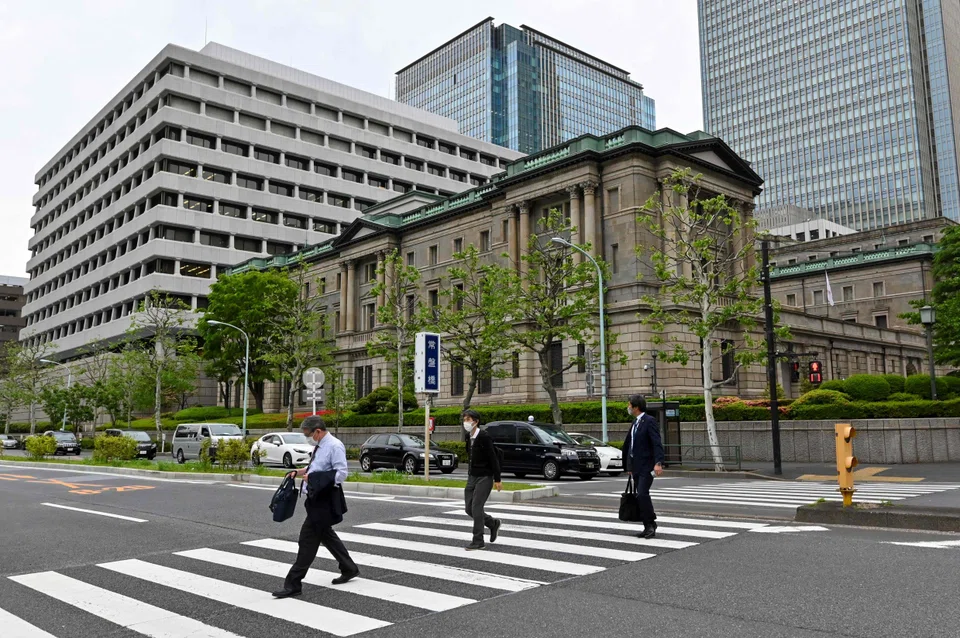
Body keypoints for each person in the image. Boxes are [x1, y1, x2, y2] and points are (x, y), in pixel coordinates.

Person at [273, 416, 358, 598]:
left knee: (307, 541)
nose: (307, 438)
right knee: (326, 536)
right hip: (314, 499)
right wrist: (299, 472)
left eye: (308, 434)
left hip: (324, 501)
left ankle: (293, 584)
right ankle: (349, 568)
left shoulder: (334, 446)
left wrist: (313, 479)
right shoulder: (320, 445)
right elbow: (316, 468)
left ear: (317, 431)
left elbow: (341, 473)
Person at [622, 394, 664, 538]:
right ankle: (648, 525)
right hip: (636, 466)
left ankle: (651, 523)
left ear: (636, 407)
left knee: (642, 494)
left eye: (629, 405)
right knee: (640, 496)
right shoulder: (635, 423)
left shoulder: (649, 421)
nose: (628, 407)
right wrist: (629, 467)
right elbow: (630, 446)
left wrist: (658, 463)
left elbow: (656, 442)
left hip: (648, 466)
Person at [463, 409, 502, 550]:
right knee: (469, 508)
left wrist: (497, 479)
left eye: (468, 419)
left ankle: (478, 540)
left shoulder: (484, 437)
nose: (466, 422)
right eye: (465, 419)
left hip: (485, 476)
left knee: (477, 507)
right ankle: (492, 523)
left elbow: (493, 458)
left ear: (476, 421)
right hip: (472, 476)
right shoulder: (468, 437)